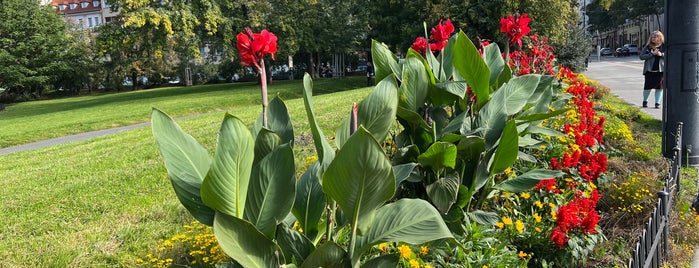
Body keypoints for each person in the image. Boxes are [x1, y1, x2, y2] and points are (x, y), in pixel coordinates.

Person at [639, 31, 665, 108]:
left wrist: (661, 55)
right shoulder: (647, 47)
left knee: (659, 88)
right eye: (652, 37)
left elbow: (670, 56)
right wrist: (651, 54)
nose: (653, 38)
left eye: (655, 37)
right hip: (649, 71)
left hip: (660, 71)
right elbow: (641, 57)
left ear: (659, 37)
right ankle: (645, 101)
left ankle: (657, 103)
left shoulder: (663, 47)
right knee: (647, 87)